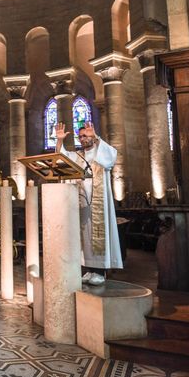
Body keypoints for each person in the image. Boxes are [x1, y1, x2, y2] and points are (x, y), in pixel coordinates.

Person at [55, 121, 123, 286]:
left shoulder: (101, 152)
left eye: (86, 135)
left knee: (97, 236)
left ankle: (100, 272)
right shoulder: (77, 156)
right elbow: (61, 159)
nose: (83, 139)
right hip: (81, 204)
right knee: (83, 237)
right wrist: (59, 141)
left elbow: (111, 157)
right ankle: (88, 269)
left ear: (93, 136)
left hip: (98, 204)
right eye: (80, 137)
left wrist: (96, 137)